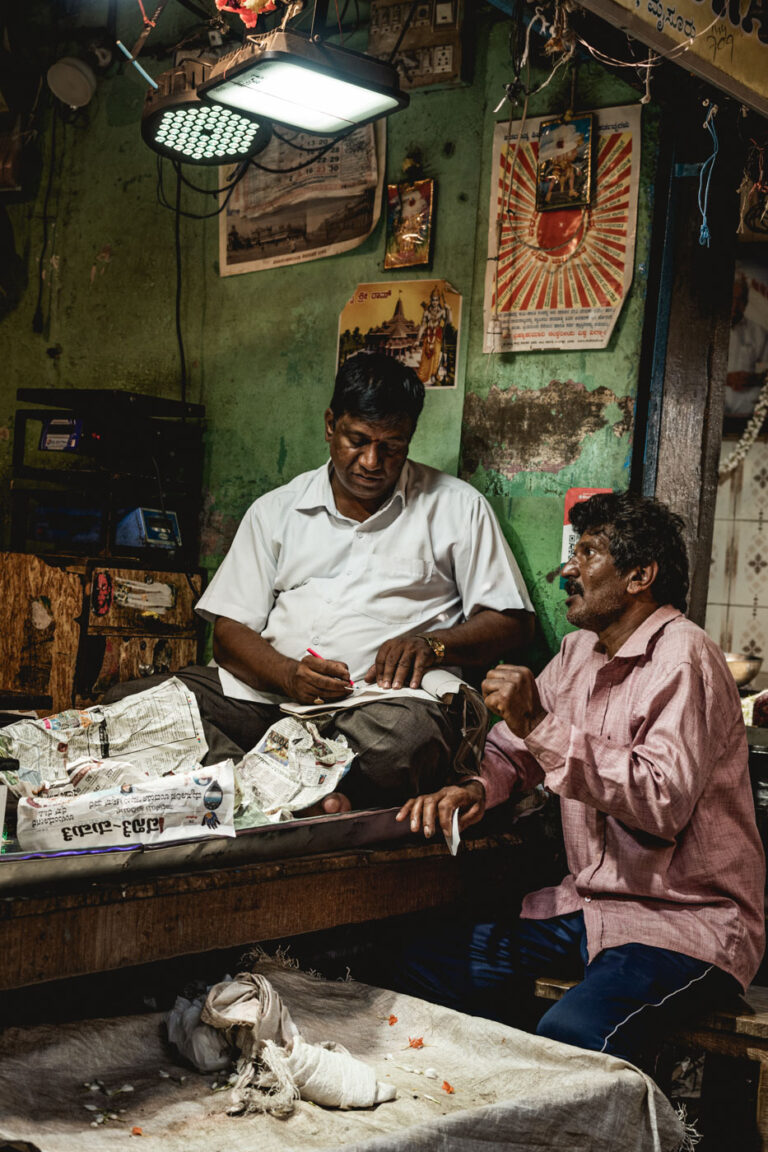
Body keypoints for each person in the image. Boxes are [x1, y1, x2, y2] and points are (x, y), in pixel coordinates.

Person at [396, 491, 765, 1070]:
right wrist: (476, 789)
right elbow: (515, 750)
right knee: (426, 965)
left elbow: (659, 800)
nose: (567, 570)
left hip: (682, 924)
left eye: (587, 554)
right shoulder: (578, 653)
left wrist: (539, 723)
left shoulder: (685, 659)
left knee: (573, 1033)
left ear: (640, 575)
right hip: (592, 909)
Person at [107, 353, 533, 812]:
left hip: (378, 712)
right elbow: (229, 636)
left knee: (408, 741)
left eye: (392, 446)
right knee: (130, 705)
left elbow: (511, 621)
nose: (372, 461)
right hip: (266, 700)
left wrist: (434, 646)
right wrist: (288, 676)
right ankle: (295, 796)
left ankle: (257, 791)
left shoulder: (457, 508)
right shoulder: (276, 510)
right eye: (359, 440)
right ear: (331, 424)